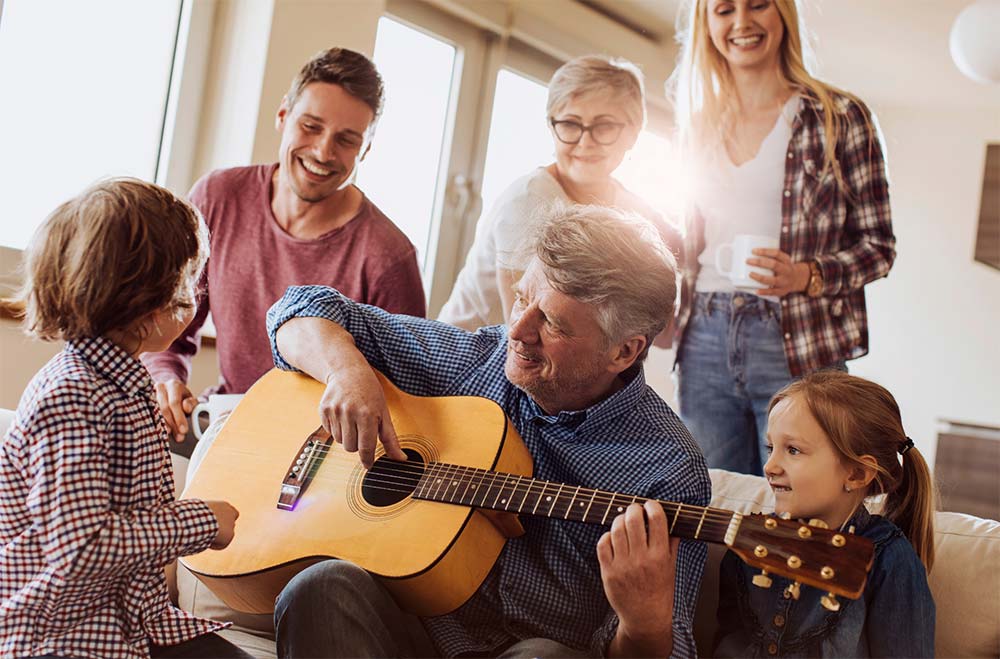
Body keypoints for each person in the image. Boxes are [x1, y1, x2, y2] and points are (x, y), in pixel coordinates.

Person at [266, 205, 710, 657]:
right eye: (522, 298)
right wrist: (345, 372)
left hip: (529, 648)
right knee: (320, 587)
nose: (517, 330)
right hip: (412, 627)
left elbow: (660, 651)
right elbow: (300, 309)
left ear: (624, 351)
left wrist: (644, 623)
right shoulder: (475, 361)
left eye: (552, 322)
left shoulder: (669, 470)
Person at [0, 179, 249, 659]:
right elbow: (81, 548)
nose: (196, 294)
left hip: (133, 621)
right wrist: (201, 522)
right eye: (190, 281)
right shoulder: (71, 397)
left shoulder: (126, 386)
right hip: (59, 637)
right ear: (150, 305)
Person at [142, 47, 426, 443]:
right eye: (311, 126)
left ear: (367, 148)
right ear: (283, 116)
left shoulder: (389, 257)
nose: (323, 152)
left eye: (346, 140)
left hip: (323, 456)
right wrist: (165, 376)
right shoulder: (217, 196)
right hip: (225, 421)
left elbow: (407, 401)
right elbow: (167, 314)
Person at [668, 0, 896, 475]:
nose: (742, 23)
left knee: (800, 505)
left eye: (757, 5)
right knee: (713, 497)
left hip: (797, 339)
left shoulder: (839, 115)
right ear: (706, 25)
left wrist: (805, 275)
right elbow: (685, 244)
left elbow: (879, 248)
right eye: (724, 9)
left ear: (784, 15)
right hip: (704, 334)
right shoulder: (699, 122)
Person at [439, 54, 680, 330]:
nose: (585, 141)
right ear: (552, 127)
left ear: (633, 133)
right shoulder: (529, 200)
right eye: (570, 124)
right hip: (478, 357)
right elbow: (526, 330)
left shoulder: (628, 206)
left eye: (604, 126)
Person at [714, 370, 936, 657]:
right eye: (771, 447)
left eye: (793, 450)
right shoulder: (746, 546)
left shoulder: (890, 561)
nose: (770, 466)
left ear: (856, 474)